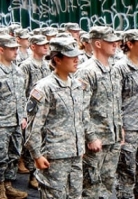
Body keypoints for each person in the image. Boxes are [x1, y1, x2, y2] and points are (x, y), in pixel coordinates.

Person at [24, 37, 88, 198]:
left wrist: (81, 145)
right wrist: (37, 155)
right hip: (54, 157)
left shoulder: (76, 85)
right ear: (57, 59)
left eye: (77, 56)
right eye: (71, 56)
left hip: (75, 154)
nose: (76, 60)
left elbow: (80, 119)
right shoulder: (44, 88)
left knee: (75, 195)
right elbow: (34, 126)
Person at [75, 26, 122, 199]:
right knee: (92, 188)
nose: (115, 44)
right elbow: (81, 108)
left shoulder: (112, 69)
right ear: (98, 43)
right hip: (97, 140)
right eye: (110, 41)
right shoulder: (87, 71)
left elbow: (116, 103)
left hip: (112, 137)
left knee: (107, 184)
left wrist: (120, 128)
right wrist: (91, 136)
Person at [113, 30, 138, 199]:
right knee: (126, 169)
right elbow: (115, 101)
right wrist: (119, 126)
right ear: (130, 44)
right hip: (127, 127)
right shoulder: (120, 68)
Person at [19, 34, 51, 190]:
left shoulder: (46, 65)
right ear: (33, 47)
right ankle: (32, 175)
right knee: (32, 143)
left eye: (47, 44)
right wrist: (24, 114)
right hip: (31, 111)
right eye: (42, 44)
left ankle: (38, 175)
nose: (46, 46)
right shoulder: (26, 66)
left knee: (44, 144)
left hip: (45, 112)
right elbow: (21, 91)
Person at [0, 35, 28, 199]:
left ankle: (8, 184)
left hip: (16, 121)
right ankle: (0, 187)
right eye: (12, 48)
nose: (16, 51)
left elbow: (22, 96)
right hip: (2, 123)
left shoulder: (17, 70)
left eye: (16, 48)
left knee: (13, 155)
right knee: (0, 157)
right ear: (1, 50)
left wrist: (23, 116)